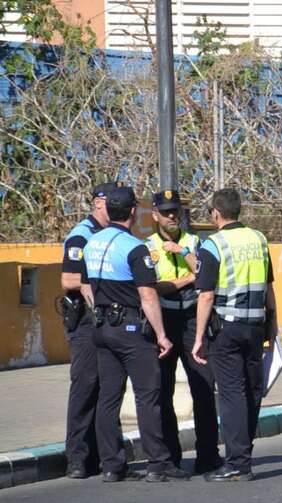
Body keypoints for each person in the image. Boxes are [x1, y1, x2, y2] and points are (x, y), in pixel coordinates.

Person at [81, 186, 190, 483]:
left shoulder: (91, 243)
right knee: (148, 396)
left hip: (102, 326)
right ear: (132, 212)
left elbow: (85, 286)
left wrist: (100, 311)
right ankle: (159, 463)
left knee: (108, 398)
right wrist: (162, 335)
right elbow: (148, 296)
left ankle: (112, 465)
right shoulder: (134, 247)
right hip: (131, 329)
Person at [191, 188, 278, 482]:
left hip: (226, 329)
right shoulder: (259, 239)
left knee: (231, 395)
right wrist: (274, 327)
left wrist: (199, 337)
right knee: (252, 391)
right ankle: (244, 454)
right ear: (239, 210)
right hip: (256, 327)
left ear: (216, 212)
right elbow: (269, 287)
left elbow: (206, 296)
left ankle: (237, 463)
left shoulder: (213, 244)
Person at [146, 189, 222, 475]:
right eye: (166, 212)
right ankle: (171, 457)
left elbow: (205, 275)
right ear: (155, 215)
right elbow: (153, 287)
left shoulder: (194, 241)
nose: (172, 216)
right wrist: (188, 279)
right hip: (163, 321)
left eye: (175, 211)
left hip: (193, 320)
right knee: (162, 391)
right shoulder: (148, 246)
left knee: (203, 388)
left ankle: (208, 455)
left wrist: (184, 254)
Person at [60, 181, 119, 478]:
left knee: (106, 388)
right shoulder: (82, 235)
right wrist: (96, 283)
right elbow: (68, 279)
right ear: (98, 203)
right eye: (112, 201)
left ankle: (100, 454)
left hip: (107, 321)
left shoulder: (113, 234)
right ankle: (77, 457)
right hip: (85, 323)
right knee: (84, 388)